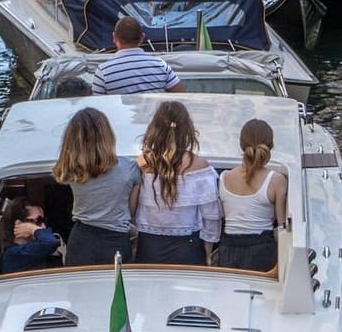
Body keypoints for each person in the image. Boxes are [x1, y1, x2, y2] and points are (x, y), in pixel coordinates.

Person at [134, 101, 222, 265]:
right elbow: (210, 216)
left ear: (155, 128)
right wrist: (208, 253)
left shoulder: (142, 163)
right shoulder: (201, 166)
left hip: (148, 246)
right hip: (188, 248)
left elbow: (130, 208)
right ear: (187, 129)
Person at [53, 107, 141, 266]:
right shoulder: (129, 167)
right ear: (108, 136)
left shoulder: (70, 169)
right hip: (115, 242)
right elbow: (132, 209)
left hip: (81, 240)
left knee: (80, 290)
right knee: (117, 289)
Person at [218, 118, 288, 272]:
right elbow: (282, 226)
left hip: (228, 251)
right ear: (270, 146)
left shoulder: (224, 178)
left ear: (241, 145)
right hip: (262, 252)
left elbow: (222, 215)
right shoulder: (277, 180)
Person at [93, 16, 183, 95]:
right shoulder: (161, 65)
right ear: (142, 37)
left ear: (114, 37)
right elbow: (182, 95)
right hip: (154, 114)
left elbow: (97, 107)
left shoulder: (103, 72)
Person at [0, 198, 62, 274]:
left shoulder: (31, 247)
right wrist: (32, 229)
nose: (43, 226)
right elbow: (50, 242)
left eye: (44, 221)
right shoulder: (14, 253)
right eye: (38, 221)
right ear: (19, 224)